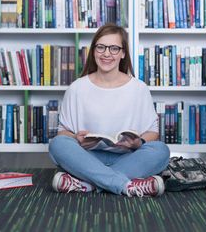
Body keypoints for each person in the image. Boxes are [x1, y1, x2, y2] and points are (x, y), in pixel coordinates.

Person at [49, 23, 170, 197]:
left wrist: (138, 143)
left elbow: (153, 133)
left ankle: (87, 183)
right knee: (58, 145)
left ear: (123, 53)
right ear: (93, 51)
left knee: (160, 151)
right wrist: (76, 138)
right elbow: (63, 133)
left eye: (114, 48)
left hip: (128, 158)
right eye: (101, 47)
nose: (107, 53)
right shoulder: (77, 88)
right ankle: (125, 185)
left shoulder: (138, 88)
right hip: (87, 157)